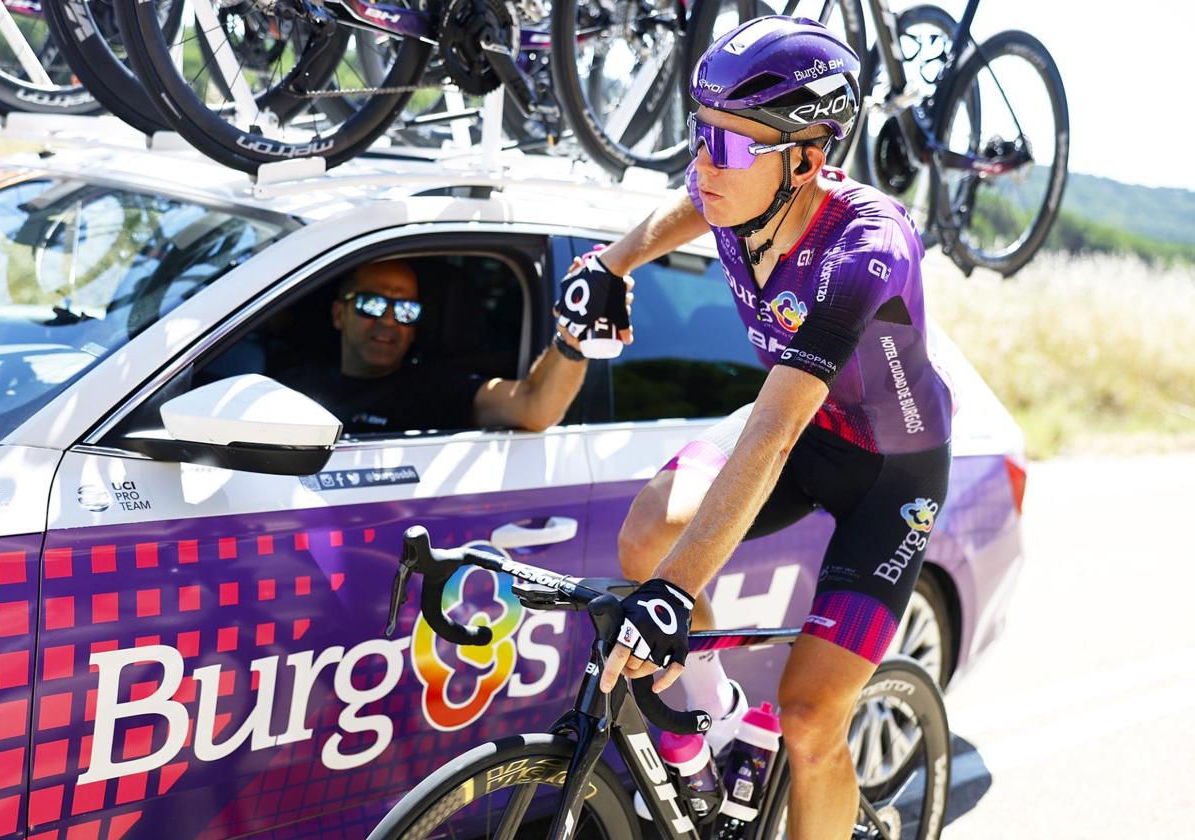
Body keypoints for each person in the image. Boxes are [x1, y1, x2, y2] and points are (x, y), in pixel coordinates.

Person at [582, 17, 954, 839]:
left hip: (889, 472)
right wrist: (612, 265)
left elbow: (776, 432)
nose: (706, 161)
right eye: (700, 131)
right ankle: (716, 718)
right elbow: (686, 211)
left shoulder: (867, 249)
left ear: (808, 161)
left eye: (735, 145)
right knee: (651, 533)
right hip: (804, 428)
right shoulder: (737, 188)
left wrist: (675, 598)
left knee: (811, 718)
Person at [281, 258, 617, 434]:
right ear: (340, 314)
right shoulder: (293, 386)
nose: (388, 320)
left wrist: (573, 338)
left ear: (416, 327)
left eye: (405, 310)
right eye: (372, 304)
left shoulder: (437, 390)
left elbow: (535, 407)